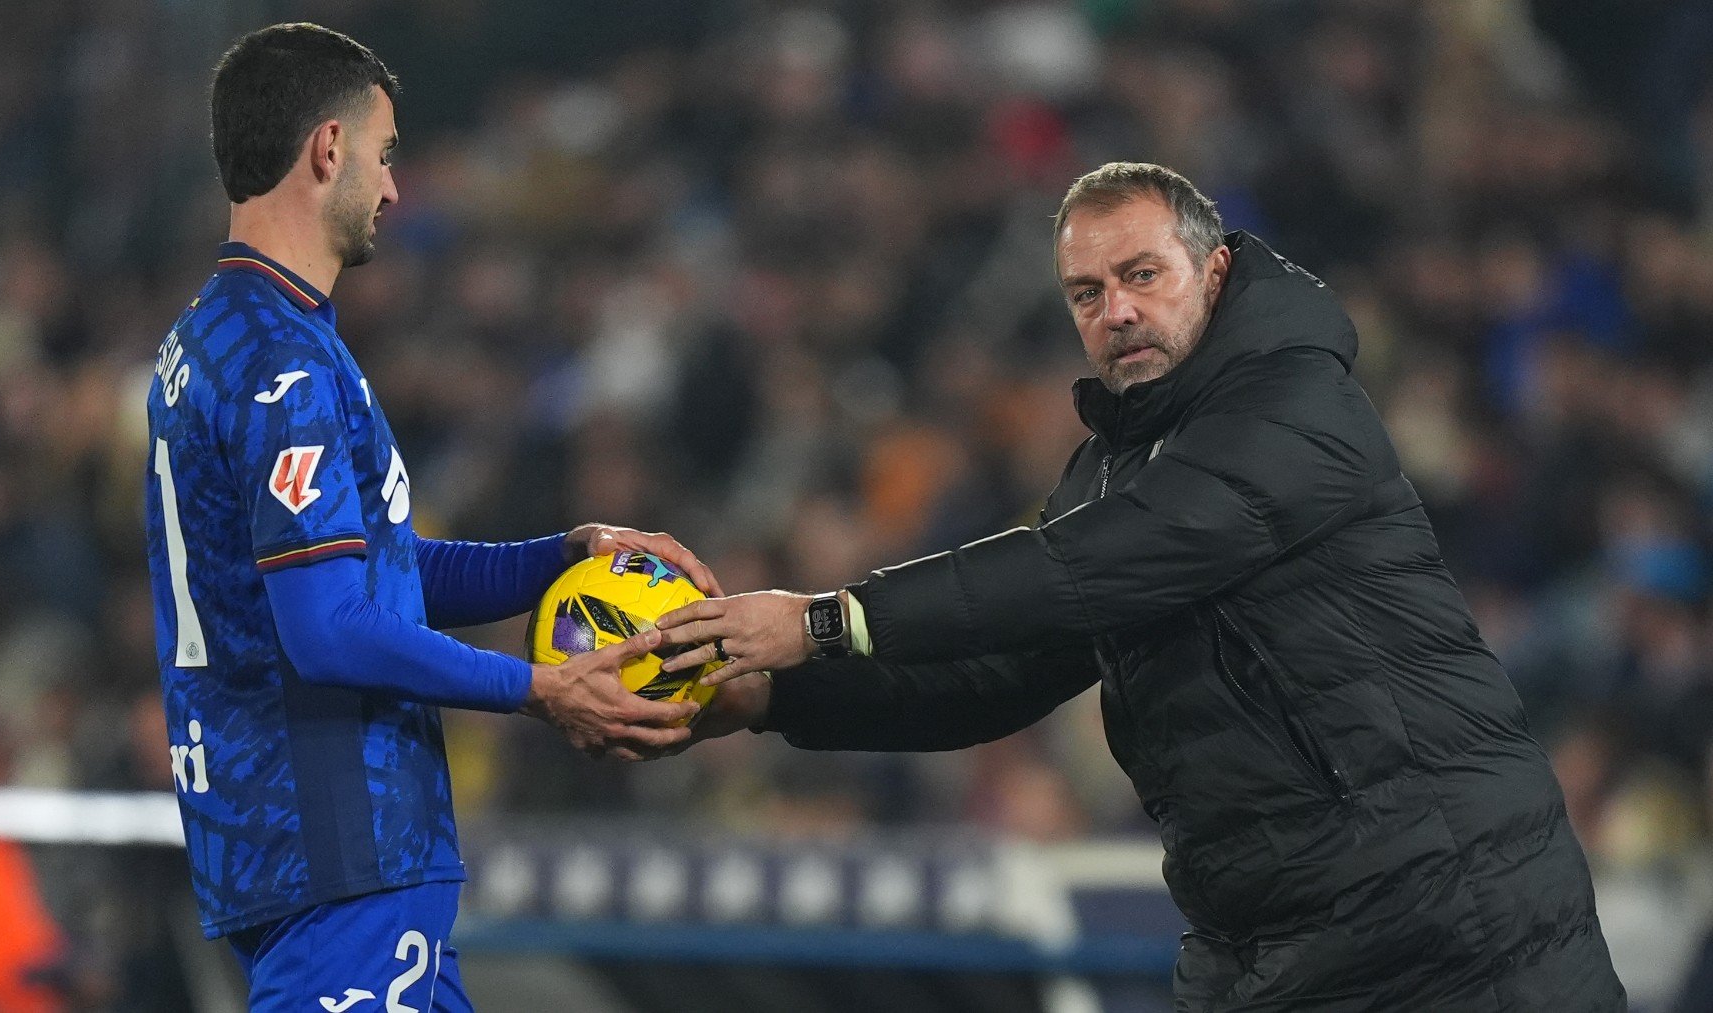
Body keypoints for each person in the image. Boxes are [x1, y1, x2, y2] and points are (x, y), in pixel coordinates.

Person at [655, 163, 1628, 1010]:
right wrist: (768, 695)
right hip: (1270, 947)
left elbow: (1085, 563)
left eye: (1140, 275)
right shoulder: (1111, 474)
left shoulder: (1295, 404)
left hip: (1452, 928)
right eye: (1085, 293)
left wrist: (825, 618)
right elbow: (1000, 670)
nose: (1114, 309)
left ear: (1214, 272)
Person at [143, 24, 716, 1011]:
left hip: (292, 844)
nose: (395, 188)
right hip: (339, 846)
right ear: (329, 149)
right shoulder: (288, 366)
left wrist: (562, 554)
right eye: (386, 153)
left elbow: (376, 576)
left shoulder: (210, 340)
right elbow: (327, 628)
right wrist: (542, 687)